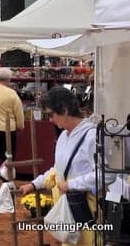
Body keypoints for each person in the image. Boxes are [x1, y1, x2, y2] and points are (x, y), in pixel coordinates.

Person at [19, 87, 112, 246]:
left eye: (51, 114)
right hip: (68, 209)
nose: (50, 120)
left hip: (88, 211)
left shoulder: (92, 136)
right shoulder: (63, 135)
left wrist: (71, 184)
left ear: (64, 109)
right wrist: (35, 184)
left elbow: (107, 174)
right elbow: (58, 170)